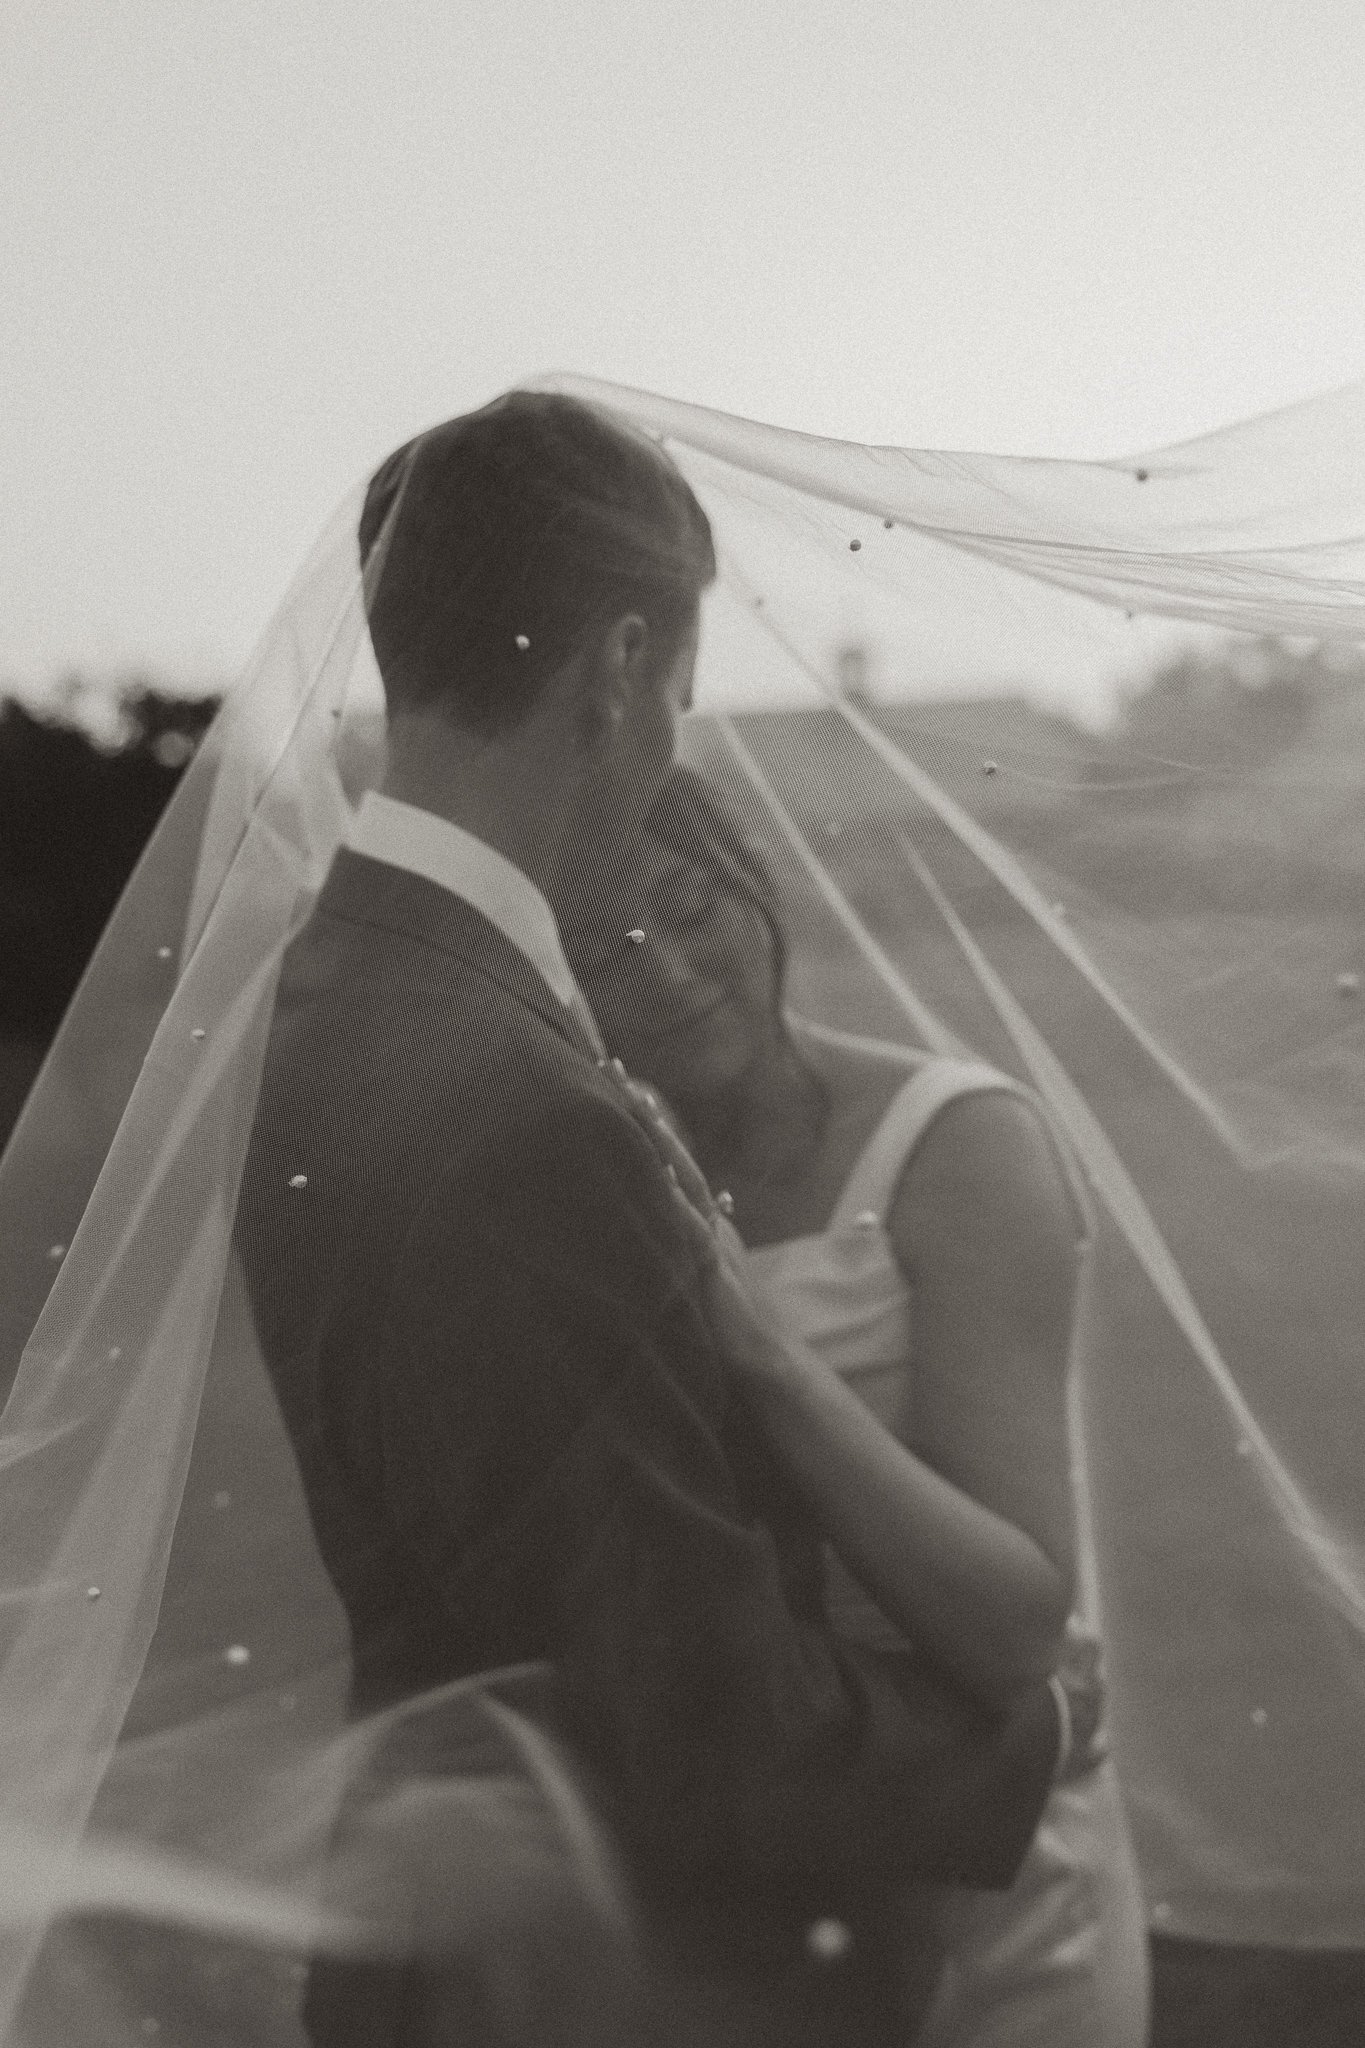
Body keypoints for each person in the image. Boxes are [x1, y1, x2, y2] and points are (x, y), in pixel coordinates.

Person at [231, 391, 1066, 2047]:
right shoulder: (536, 1106)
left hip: (451, 1944)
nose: (675, 736)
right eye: (681, 686)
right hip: (632, 1985)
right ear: (622, 663)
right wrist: (1020, 1734)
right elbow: (699, 1721)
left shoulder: (330, 993)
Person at [568, 761, 1151, 2048]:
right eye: (604, 945)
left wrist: (756, 1348)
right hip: (743, 1847)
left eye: (689, 903)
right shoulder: (577, 1175)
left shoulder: (958, 1143)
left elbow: (1014, 1622)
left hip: (992, 1853)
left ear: (756, 883)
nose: (666, 968)